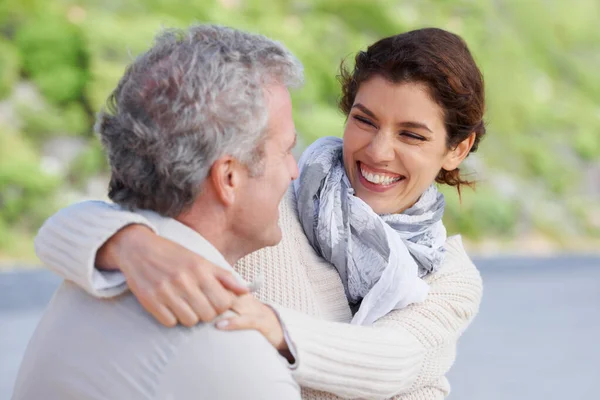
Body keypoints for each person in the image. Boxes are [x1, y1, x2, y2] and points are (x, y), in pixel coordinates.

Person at [34, 27, 485, 399]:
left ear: (456, 149)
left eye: (412, 135)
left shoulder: (448, 277)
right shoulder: (272, 206)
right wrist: (128, 243)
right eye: (364, 120)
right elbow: (86, 220)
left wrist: (272, 325)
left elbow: (396, 359)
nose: (378, 151)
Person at [13, 24, 305, 400]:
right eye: (285, 151)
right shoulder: (232, 351)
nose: (294, 171)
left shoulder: (95, 274)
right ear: (228, 177)